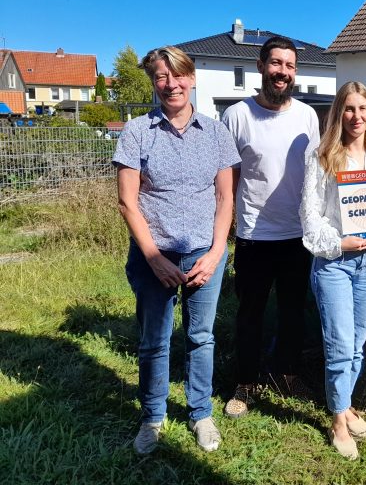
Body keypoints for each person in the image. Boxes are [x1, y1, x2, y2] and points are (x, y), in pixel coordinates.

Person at [113, 46, 241, 455]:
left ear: (193, 78)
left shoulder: (216, 133)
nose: (171, 84)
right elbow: (127, 202)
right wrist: (152, 256)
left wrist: (218, 250)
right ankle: (152, 416)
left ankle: (201, 412)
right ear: (153, 82)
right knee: (155, 338)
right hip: (156, 254)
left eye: (178, 75)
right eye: (161, 77)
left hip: (204, 252)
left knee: (201, 337)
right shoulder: (137, 131)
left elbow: (226, 199)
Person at [221, 36, 320, 417]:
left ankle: (287, 372)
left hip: (298, 235)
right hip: (254, 236)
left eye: (290, 66)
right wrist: (227, 226)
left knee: (294, 311)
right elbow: (226, 178)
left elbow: (316, 172)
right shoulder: (237, 116)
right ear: (261, 66)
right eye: (276, 64)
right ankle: (245, 381)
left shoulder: (307, 116)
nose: (283, 72)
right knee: (250, 313)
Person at [300, 81, 366, 459]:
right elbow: (310, 216)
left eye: (363, 109)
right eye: (349, 109)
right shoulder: (321, 154)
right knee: (339, 347)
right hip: (334, 263)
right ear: (339, 113)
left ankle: (345, 402)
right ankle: (338, 420)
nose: (357, 116)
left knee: (356, 346)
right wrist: (340, 243)